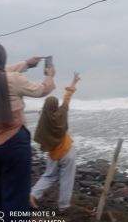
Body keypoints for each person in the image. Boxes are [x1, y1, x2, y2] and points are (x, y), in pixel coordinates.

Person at [0, 37, 56, 221]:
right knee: (16, 199)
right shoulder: (12, 80)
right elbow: (42, 90)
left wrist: (27, 64)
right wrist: (50, 75)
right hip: (12, 145)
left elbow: (0, 73)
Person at [30, 72, 80, 211]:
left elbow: (40, 137)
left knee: (49, 176)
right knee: (67, 179)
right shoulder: (62, 112)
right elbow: (67, 98)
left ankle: (33, 194)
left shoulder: (43, 119)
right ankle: (63, 206)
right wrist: (74, 82)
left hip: (53, 154)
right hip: (67, 151)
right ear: (56, 105)